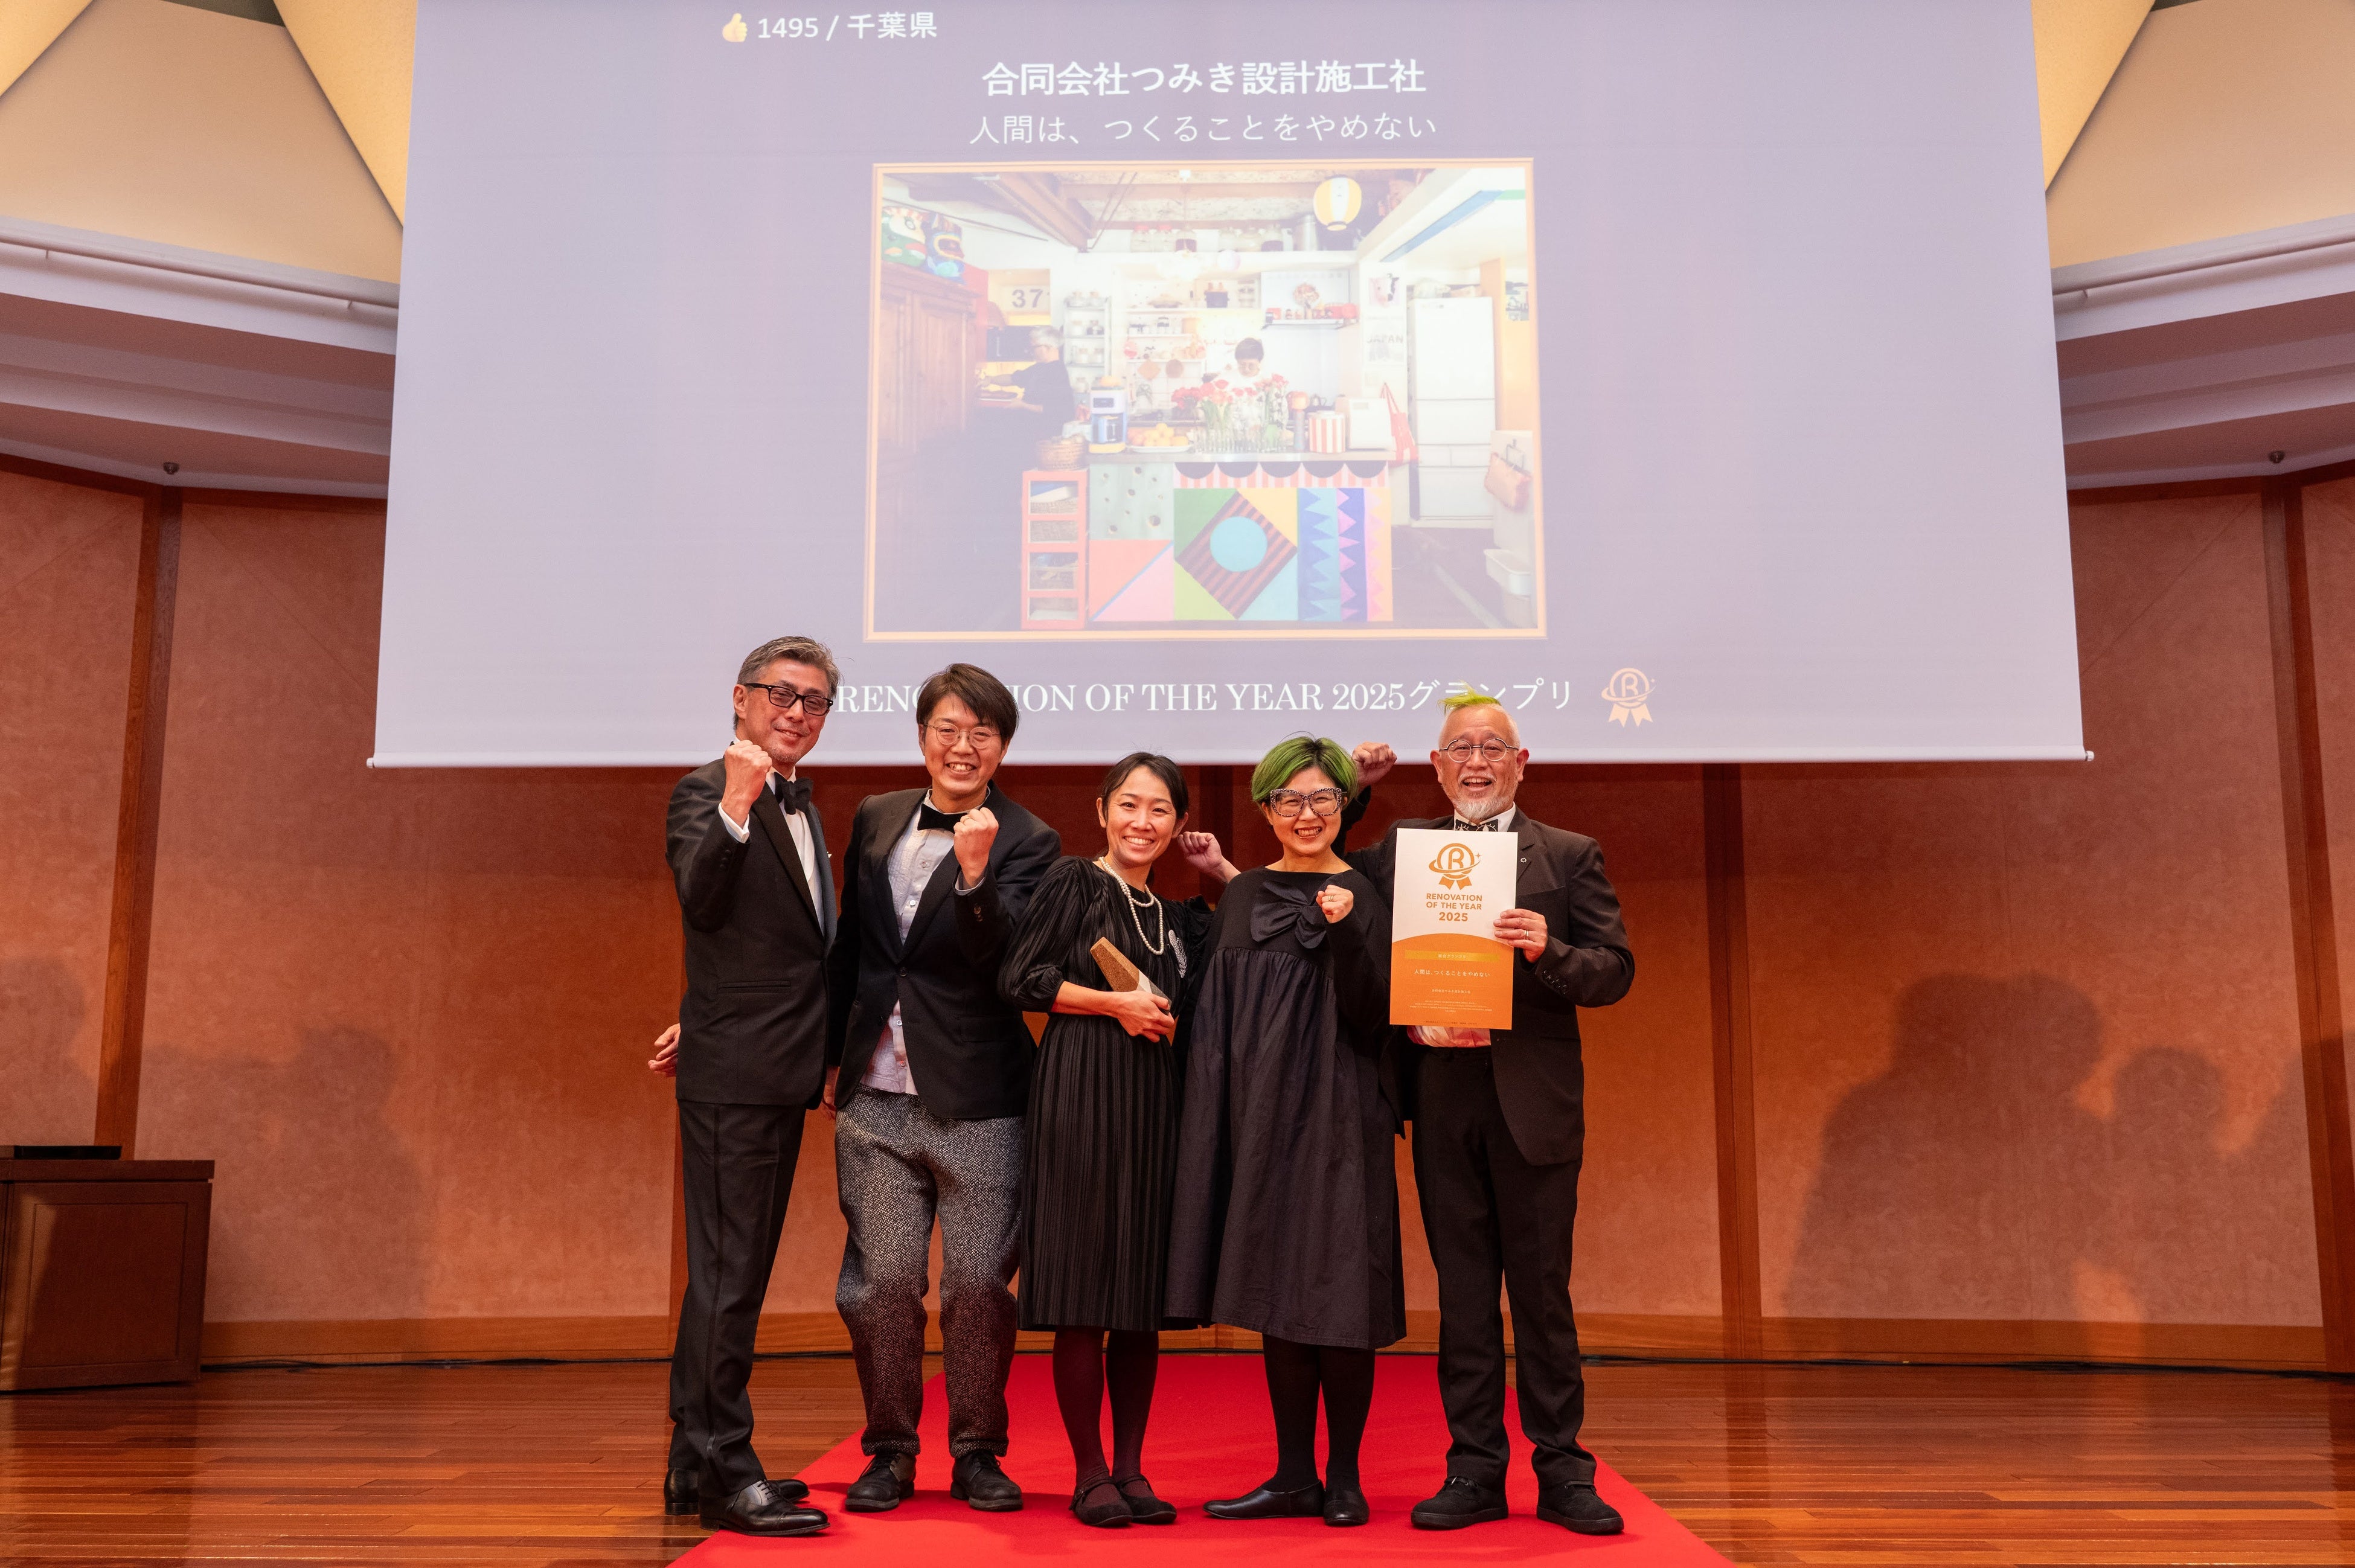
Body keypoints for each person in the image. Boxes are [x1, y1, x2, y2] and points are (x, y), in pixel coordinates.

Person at [1348, 693, 1636, 1535]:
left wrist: (1549, 949)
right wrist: (1355, 790)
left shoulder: (1568, 854)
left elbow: (1614, 970)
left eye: (1493, 748)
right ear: (1437, 768)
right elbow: (1327, 866)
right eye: (1460, 749)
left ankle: (1563, 1470)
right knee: (1465, 1296)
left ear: (1521, 762)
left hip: (1532, 1103)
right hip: (1442, 1094)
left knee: (1541, 1294)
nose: (1477, 762)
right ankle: (1473, 1469)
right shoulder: (1406, 847)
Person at [824, 663, 1061, 1514]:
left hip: (982, 1095)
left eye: (982, 733)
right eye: (947, 729)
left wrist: (975, 876)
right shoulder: (878, 813)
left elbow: (1009, 962)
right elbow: (854, 947)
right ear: (923, 734)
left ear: (1004, 746)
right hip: (876, 1093)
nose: (963, 746)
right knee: (883, 1282)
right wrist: (832, 1056)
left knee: (979, 1287)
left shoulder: (1030, 838)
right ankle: (889, 1448)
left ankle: (978, 1449)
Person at [1164, 735, 1400, 1529]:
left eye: (1322, 798)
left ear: (1344, 805)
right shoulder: (1244, 893)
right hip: (1260, 1117)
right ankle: (1294, 1474)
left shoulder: (1365, 889)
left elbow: (1376, 1014)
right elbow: (1220, 1018)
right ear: (1267, 810)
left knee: (1340, 1291)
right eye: (1289, 799)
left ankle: (1345, 1476)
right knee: (1277, 1288)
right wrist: (1219, 1119)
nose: (1307, 813)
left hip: (1342, 1114)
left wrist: (1348, 931)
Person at [646, 635, 839, 1538]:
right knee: (730, 1278)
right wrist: (734, 800)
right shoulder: (706, 793)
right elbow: (701, 896)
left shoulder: (806, 809)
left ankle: (693, 1454)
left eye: (814, 701)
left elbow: (788, 953)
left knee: (730, 1275)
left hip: (770, 1065)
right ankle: (729, 1468)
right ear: (740, 697)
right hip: (736, 1073)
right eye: (781, 694)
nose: (797, 712)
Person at [997, 754, 1213, 1529]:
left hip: (1154, 1105)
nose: (1142, 821)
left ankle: (1130, 1467)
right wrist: (1114, 1004)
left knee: (1139, 1298)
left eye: (1159, 809)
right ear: (1102, 810)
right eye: (1129, 804)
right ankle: (1089, 1473)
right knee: (1085, 1292)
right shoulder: (1075, 881)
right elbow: (1021, 977)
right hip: (1081, 1094)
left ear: (1178, 824)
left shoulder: (1176, 916)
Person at [1010, 328, 1077, 443]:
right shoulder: (1040, 368)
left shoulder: (1057, 373)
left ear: (1048, 347)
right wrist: (989, 380)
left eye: (1034, 347)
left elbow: (1053, 409)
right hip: (1032, 430)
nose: (1032, 352)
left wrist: (1023, 405)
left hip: (1047, 435)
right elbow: (1014, 379)